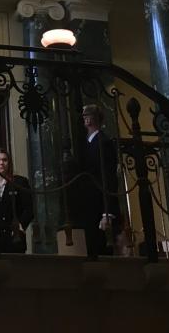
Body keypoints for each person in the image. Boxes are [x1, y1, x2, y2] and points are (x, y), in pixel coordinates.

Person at [70, 103, 122, 256]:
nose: (83, 119)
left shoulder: (103, 143)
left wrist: (107, 211)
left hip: (99, 205)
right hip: (88, 205)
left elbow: (109, 177)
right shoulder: (87, 143)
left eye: (85, 115)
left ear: (90, 119)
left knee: (101, 250)